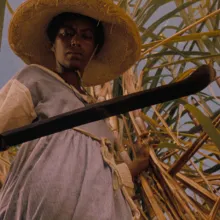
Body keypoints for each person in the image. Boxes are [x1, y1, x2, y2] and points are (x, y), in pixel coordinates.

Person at [0, 0, 144, 219]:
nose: (75, 42)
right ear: (52, 43)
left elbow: (109, 180)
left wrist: (138, 164)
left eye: (86, 37)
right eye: (66, 34)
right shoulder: (37, 79)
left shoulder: (100, 118)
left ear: (94, 49)